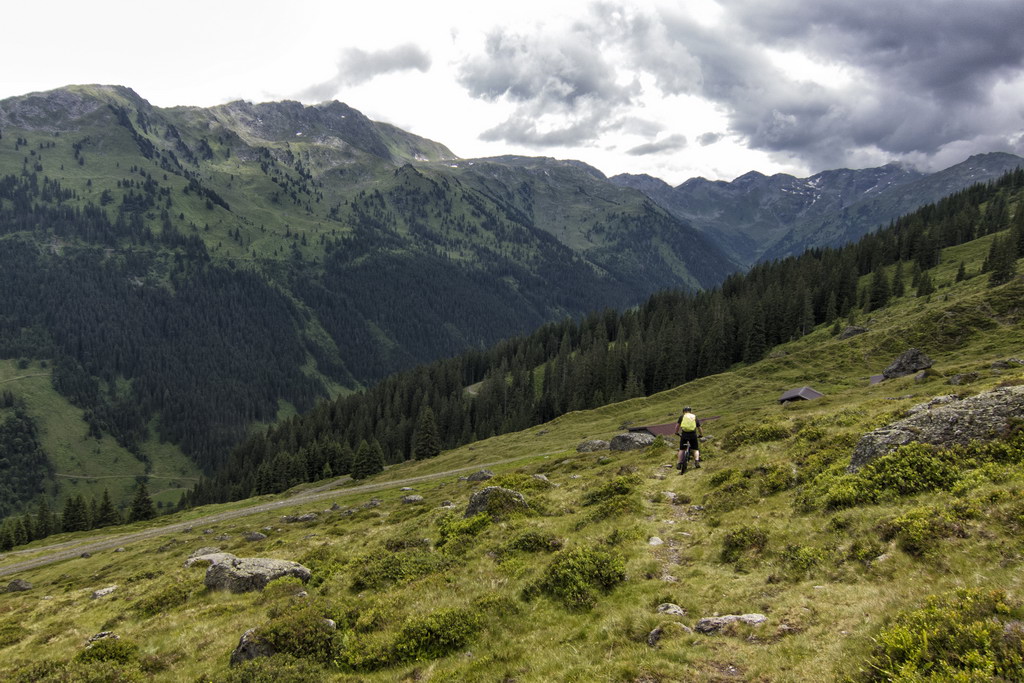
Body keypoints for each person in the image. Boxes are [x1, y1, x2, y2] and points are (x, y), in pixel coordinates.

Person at [674, 406, 703, 474]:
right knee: (695, 449)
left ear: (683, 411)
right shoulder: (694, 417)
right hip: (693, 434)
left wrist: (676, 432)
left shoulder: (682, 417)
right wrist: (701, 434)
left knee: (682, 449)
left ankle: (679, 463)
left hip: (684, 434)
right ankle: (696, 461)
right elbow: (699, 427)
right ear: (690, 411)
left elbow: (677, 426)